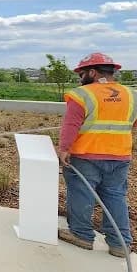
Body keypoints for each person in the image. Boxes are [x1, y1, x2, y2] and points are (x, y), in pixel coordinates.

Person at [58, 52, 135, 258]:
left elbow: (71, 124)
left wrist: (64, 149)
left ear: (92, 72)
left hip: (87, 155)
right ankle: (120, 244)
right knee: (115, 196)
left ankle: (82, 235)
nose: (80, 78)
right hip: (119, 156)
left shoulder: (82, 94)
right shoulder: (131, 95)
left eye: (81, 74)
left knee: (82, 193)